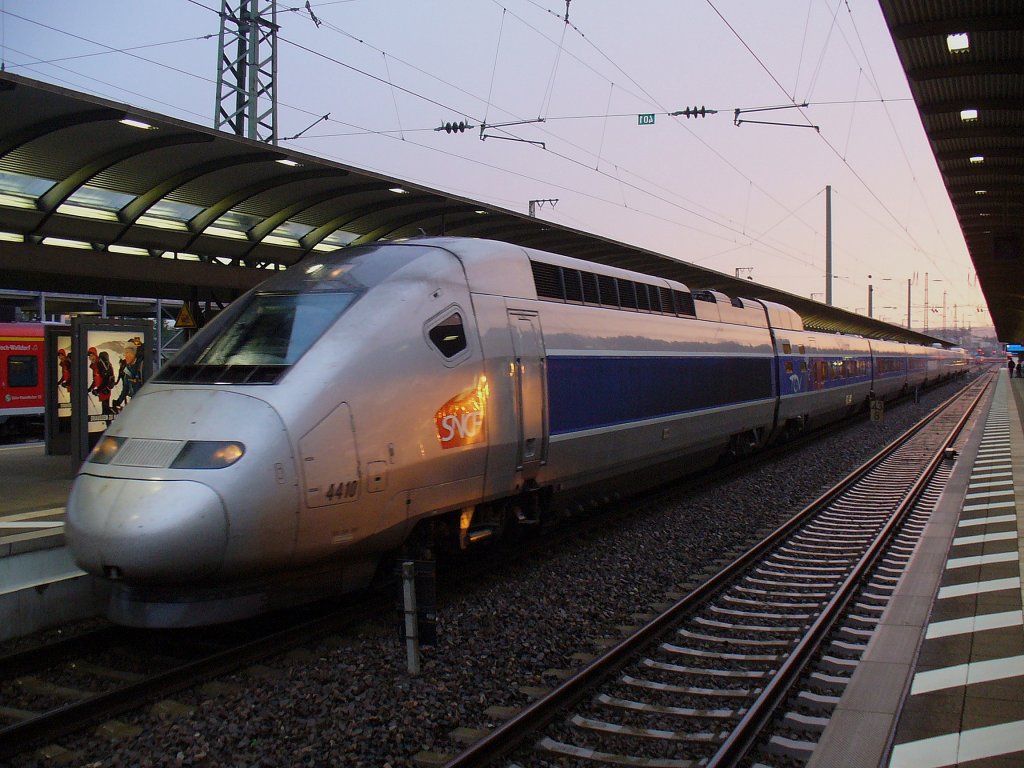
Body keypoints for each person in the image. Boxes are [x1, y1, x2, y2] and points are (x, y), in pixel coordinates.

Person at [112, 343, 142, 412]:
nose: (126, 356)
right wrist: (118, 401)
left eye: (128, 353)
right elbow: (125, 388)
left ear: (134, 355)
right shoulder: (127, 370)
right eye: (125, 353)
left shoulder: (141, 367)